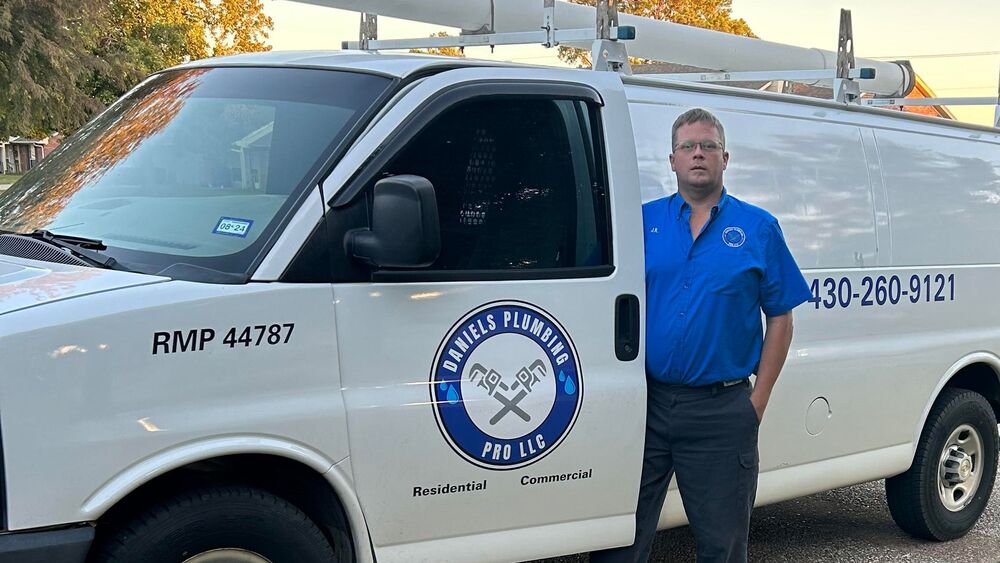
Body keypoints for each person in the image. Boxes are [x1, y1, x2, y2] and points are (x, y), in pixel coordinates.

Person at [592, 108, 812, 563]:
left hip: (720, 410)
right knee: (618, 539)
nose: (698, 155)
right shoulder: (640, 224)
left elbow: (781, 318)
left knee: (722, 545)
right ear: (671, 160)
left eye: (708, 146)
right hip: (643, 404)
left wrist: (758, 401)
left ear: (725, 158)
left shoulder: (758, 229)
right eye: (688, 147)